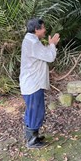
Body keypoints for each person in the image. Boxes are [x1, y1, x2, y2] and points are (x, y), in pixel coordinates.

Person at [19, 18, 60, 148]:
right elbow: (50, 57)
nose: (45, 30)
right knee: (35, 111)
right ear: (36, 29)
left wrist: (50, 46)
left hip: (32, 82)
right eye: (43, 27)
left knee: (34, 110)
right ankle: (31, 141)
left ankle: (33, 136)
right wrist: (52, 44)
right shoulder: (33, 43)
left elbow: (43, 55)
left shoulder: (32, 41)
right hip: (33, 84)